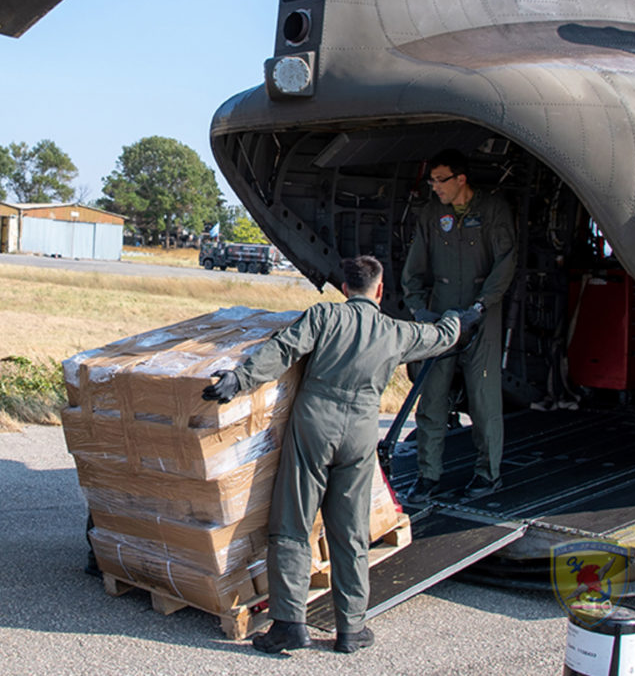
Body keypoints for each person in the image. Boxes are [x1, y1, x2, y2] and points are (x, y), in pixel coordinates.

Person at [202, 256, 473, 655]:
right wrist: (459, 319)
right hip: (360, 432)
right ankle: (351, 628)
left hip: (315, 426)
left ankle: (289, 624)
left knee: (293, 523)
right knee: (349, 531)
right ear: (380, 291)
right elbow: (441, 337)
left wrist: (239, 379)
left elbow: (283, 349)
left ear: (345, 288)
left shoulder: (325, 316)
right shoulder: (396, 331)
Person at [401, 148, 517, 503]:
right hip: (441, 317)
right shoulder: (431, 214)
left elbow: (505, 263)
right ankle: (427, 476)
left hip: (482, 315)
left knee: (484, 399)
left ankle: (487, 474)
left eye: (440, 180)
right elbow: (414, 269)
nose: (435, 187)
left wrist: (480, 307)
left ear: (460, 179)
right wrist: (419, 310)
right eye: (432, 181)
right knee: (432, 398)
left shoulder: (492, 210)